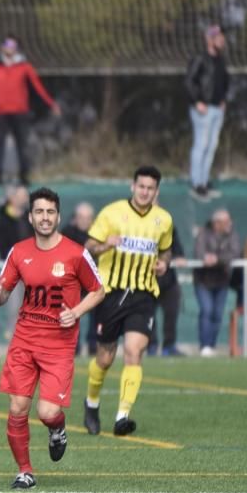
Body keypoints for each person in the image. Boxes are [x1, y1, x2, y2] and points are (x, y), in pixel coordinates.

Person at [0, 188, 105, 489]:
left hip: (59, 345)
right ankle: (25, 470)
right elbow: (3, 293)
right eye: (39, 211)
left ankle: (57, 428)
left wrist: (76, 312)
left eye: (50, 212)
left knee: (48, 412)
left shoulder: (76, 253)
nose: (45, 217)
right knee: (17, 408)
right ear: (30, 216)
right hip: (24, 340)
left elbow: (98, 290)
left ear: (58, 216)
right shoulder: (19, 251)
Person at [82, 166, 173, 436]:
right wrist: (105, 245)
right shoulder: (112, 212)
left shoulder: (164, 220)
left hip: (143, 294)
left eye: (150, 188)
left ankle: (122, 416)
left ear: (156, 192)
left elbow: (166, 252)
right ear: (133, 186)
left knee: (134, 352)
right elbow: (88, 246)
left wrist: (163, 265)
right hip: (110, 293)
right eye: (141, 186)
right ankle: (92, 403)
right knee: (105, 358)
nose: (145, 192)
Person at [0, 35, 60, 184]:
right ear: (2, 47)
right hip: (0, 111)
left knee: (22, 143)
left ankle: (25, 174)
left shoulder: (24, 67)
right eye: (6, 45)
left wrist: (51, 103)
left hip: (19, 111)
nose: (9, 48)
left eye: (12, 45)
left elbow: (38, 87)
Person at [186, 24, 229, 201]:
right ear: (210, 40)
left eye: (222, 38)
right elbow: (189, 81)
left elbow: (224, 82)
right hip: (203, 109)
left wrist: (222, 100)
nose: (222, 41)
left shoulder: (221, 60)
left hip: (217, 109)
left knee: (211, 146)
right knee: (201, 145)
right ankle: (197, 184)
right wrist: (197, 101)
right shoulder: (200, 59)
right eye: (218, 38)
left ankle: (204, 181)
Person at [193, 208, 240, 357]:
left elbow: (235, 253)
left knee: (218, 314)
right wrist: (207, 259)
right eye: (226, 221)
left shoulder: (232, 235)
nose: (229, 224)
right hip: (203, 280)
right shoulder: (203, 234)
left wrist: (217, 259)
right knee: (207, 310)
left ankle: (211, 345)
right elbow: (199, 253)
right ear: (217, 223)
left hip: (222, 281)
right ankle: (205, 345)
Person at [0, 186, 33, 338]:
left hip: (30, 268)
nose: (24, 199)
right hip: (13, 268)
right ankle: (13, 334)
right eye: (21, 195)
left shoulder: (29, 219)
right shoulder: (3, 221)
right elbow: (3, 246)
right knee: (13, 304)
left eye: (26, 196)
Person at [61, 201, 99, 355]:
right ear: (75, 218)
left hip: (91, 282)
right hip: (73, 282)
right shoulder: (67, 232)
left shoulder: (98, 233)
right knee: (71, 313)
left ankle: (93, 345)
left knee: (96, 312)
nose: (84, 221)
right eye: (81, 217)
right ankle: (73, 346)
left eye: (88, 217)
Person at [149, 225, 186, 357]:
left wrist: (179, 256)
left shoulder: (167, 225)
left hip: (169, 281)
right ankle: (151, 346)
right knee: (148, 316)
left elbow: (176, 248)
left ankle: (169, 346)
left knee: (171, 315)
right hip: (147, 281)